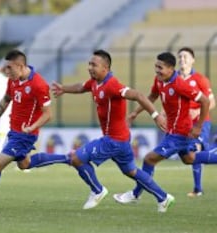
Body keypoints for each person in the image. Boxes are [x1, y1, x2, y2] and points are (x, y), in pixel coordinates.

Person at [51, 49, 174, 213]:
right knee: (131, 171)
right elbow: (82, 87)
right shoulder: (95, 82)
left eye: (93, 65)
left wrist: (156, 115)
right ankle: (163, 197)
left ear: (105, 68)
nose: (89, 67)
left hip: (114, 140)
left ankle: (97, 190)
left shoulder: (112, 85)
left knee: (76, 158)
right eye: (89, 64)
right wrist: (64, 88)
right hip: (121, 139)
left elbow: (137, 95)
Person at [0, 49, 71, 211]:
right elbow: (6, 100)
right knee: (25, 164)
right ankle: (67, 158)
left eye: (10, 68)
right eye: (6, 68)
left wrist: (31, 127)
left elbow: (48, 115)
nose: (6, 71)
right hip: (14, 132)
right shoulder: (14, 80)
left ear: (21, 66)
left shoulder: (38, 85)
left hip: (25, 135)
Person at [113, 52, 217, 205]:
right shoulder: (159, 80)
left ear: (170, 68)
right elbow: (152, 97)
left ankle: (135, 194)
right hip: (175, 132)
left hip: (180, 134)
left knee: (149, 159)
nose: (157, 70)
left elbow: (205, 102)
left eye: (160, 67)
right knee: (190, 159)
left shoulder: (181, 84)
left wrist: (198, 126)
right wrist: (134, 113)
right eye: (156, 66)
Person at [177, 47, 215, 197]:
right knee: (196, 153)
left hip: (201, 122)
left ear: (193, 60)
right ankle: (214, 146)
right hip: (183, 124)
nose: (182, 59)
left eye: (185, 57)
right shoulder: (175, 79)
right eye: (180, 57)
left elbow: (212, 103)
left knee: (195, 149)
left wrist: (197, 112)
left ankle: (198, 189)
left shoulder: (200, 79)